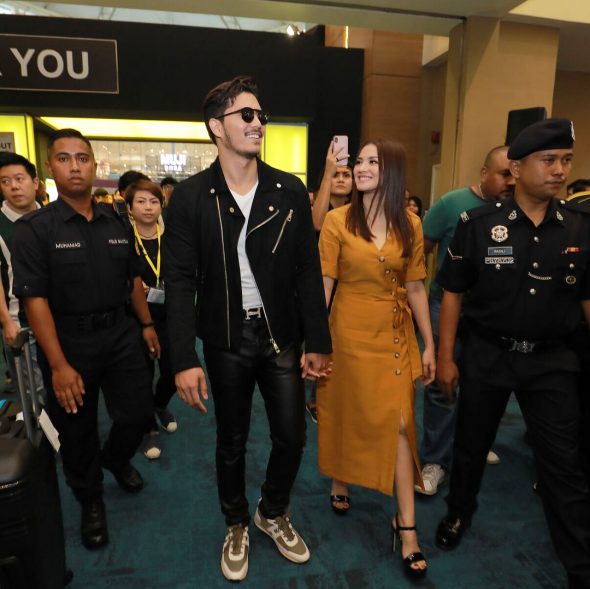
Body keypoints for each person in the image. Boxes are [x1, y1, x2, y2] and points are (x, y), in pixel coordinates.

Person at [162, 76, 332, 582]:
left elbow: (307, 270)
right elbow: (179, 281)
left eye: (261, 116)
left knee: (292, 437)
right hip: (226, 339)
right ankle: (235, 521)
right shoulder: (191, 197)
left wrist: (318, 340)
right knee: (231, 440)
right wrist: (183, 359)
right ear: (217, 126)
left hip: (281, 336)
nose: (259, 123)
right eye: (247, 115)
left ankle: (272, 511)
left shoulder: (288, 189)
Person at [434, 118, 590, 589]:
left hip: (552, 362)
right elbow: (453, 293)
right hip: (489, 355)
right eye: (548, 160)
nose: (559, 170)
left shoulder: (580, 227)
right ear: (518, 169)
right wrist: (446, 357)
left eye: (566, 160)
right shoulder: (479, 225)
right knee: (470, 447)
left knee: (563, 465)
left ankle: (580, 564)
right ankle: (459, 513)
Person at [11, 128, 160, 551]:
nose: (74, 166)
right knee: (76, 431)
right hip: (68, 342)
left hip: (121, 333)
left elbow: (133, 281)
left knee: (137, 413)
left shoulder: (117, 221)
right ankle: (90, 499)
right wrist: (58, 365)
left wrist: (147, 324)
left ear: (95, 165)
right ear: (49, 168)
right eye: (64, 159)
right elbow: (34, 302)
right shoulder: (35, 229)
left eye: (82, 158)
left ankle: (115, 458)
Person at [317, 138, 435, 579]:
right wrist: (315, 342)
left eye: (373, 162)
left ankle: (407, 527)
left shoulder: (411, 224)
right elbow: (325, 283)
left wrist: (430, 343)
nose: (361, 167)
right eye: (360, 160)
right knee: (349, 409)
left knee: (401, 424)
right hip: (347, 332)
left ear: (393, 172)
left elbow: (417, 285)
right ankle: (341, 475)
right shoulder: (337, 220)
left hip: (394, 336)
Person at [416, 145, 514, 496]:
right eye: (503, 174)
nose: (510, 181)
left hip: (489, 313)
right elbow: (421, 250)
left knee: (482, 383)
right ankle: (435, 460)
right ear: (484, 173)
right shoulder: (451, 204)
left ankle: (472, 441)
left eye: (515, 175)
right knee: (441, 384)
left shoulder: (515, 211)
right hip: (446, 306)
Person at [125, 179, 177, 460]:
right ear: (130, 208)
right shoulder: (123, 238)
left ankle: (158, 404)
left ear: (161, 205)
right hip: (134, 319)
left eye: (154, 201)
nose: (148, 207)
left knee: (172, 371)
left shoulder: (173, 236)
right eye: (141, 202)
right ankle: (148, 429)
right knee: (141, 377)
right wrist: (132, 287)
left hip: (168, 316)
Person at [306, 140, 354, 423]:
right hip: (318, 283)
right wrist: (329, 171)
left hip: (348, 286)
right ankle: (315, 397)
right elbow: (317, 223)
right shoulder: (319, 204)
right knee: (319, 339)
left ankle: (337, 395)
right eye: (337, 175)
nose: (341, 179)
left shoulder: (359, 211)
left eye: (346, 174)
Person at [0, 153, 45, 398]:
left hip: (58, 317)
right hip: (21, 321)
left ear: (35, 182)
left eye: (19, 179)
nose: (14, 186)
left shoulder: (51, 216)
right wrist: (7, 321)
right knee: (34, 393)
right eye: (5, 181)